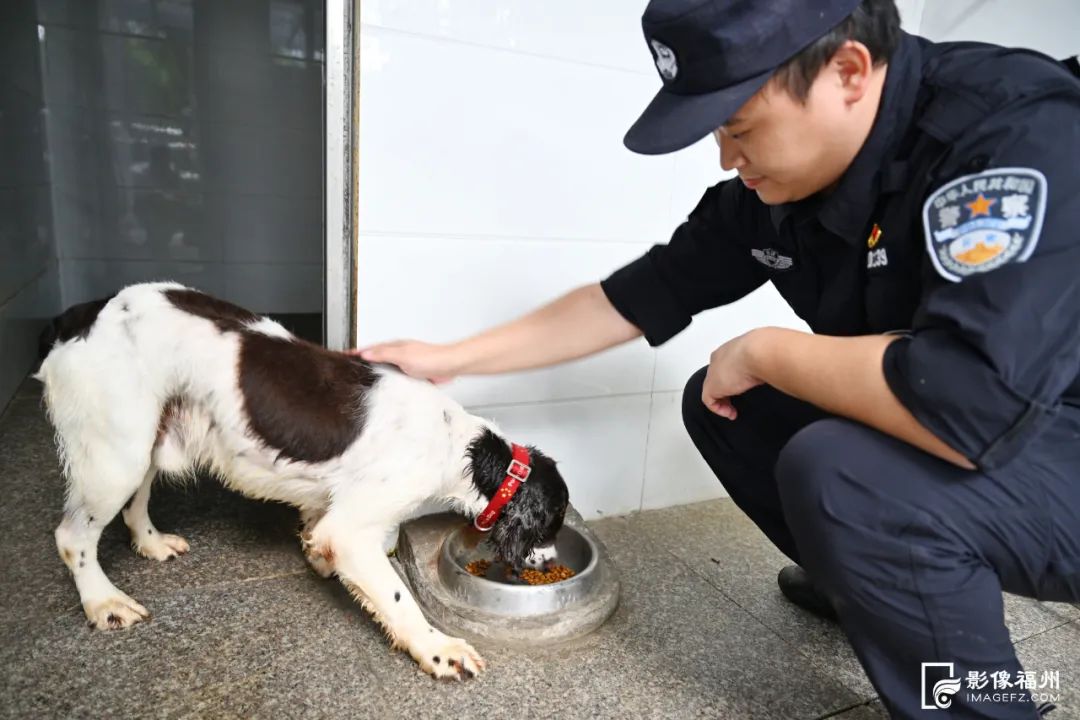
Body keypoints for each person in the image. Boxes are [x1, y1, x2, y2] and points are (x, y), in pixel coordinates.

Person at [356, 1, 1080, 716]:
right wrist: (447, 357)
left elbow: (968, 402)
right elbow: (630, 298)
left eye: (738, 126)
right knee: (723, 403)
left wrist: (769, 349)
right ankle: (863, 585)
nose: (728, 156)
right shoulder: (776, 193)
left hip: (1050, 436)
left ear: (848, 71)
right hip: (971, 413)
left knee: (841, 473)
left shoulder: (1012, 131)